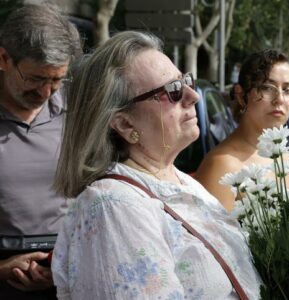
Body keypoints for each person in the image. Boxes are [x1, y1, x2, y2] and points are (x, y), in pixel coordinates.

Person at [51, 31, 262, 299]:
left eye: (185, 81)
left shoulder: (180, 181)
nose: (193, 96)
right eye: (172, 91)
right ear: (126, 124)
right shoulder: (113, 206)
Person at [0, 5, 81, 298]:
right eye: (35, 79)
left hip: (68, 268)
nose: (47, 93)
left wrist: (64, 265)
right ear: (4, 58)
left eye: (57, 80)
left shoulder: (78, 112)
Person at [194, 49, 289, 211]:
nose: (279, 99)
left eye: (287, 90)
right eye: (267, 88)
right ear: (241, 95)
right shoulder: (222, 166)